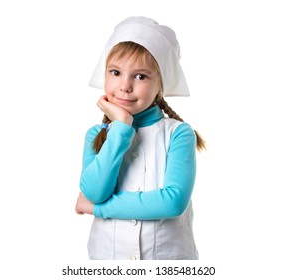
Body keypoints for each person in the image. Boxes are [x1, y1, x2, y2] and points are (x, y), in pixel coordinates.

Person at [75, 16, 205, 260]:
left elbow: (172, 203)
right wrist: (122, 126)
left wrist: (97, 209)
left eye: (141, 76)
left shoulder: (179, 134)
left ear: (160, 85)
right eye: (115, 72)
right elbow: (94, 191)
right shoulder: (96, 135)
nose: (125, 86)